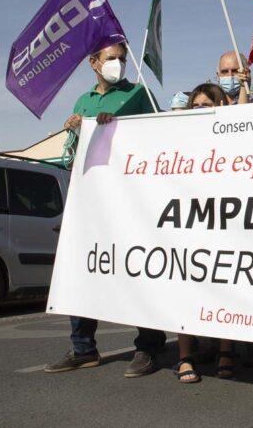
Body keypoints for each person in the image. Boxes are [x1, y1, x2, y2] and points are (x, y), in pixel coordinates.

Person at [45, 41, 167, 378]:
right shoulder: (83, 101)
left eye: (122, 59)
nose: (118, 64)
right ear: (93, 63)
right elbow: (76, 151)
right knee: (83, 267)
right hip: (91, 200)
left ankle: (149, 346)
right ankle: (83, 348)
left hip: (131, 200)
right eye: (111, 59)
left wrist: (119, 127)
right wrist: (73, 126)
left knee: (140, 267)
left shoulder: (139, 93)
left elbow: (163, 134)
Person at [174, 83, 236, 383]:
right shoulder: (181, 139)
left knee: (222, 289)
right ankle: (184, 358)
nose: (200, 110)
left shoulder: (235, 136)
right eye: (194, 106)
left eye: (206, 104)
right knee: (185, 290)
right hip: (189, 225)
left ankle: (225, 353)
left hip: (224, 224)